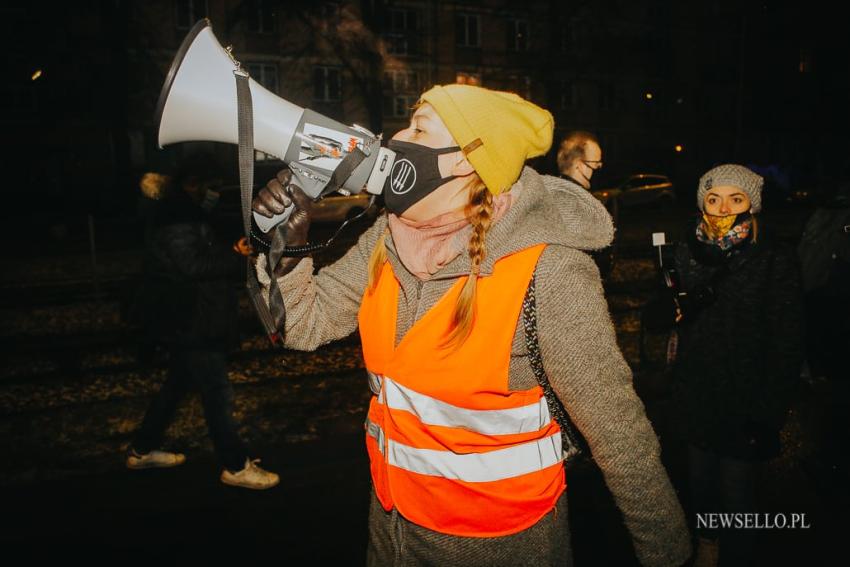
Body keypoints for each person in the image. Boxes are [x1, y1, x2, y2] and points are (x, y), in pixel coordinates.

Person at [252, 85, 690, 565]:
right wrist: (286, 247)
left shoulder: (550, 271)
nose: (400, 136)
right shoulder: (388, 238)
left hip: (499, 544)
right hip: (392, 531)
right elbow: (301, 327)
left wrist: (668, 555)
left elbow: (620, 434)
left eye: (420, 128)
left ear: (465, 160)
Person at [666, 164, 804, 566]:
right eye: (713, 199)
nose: (723, 207)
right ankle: (707, 549)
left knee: (737, 496)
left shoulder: (774, 257)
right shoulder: (685, 250)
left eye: (735, 199)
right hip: (697, 396)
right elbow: (676, 317)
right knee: (700, 487)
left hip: (746, 402)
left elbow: (787, 340)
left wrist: (769, 413)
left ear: (752, 205)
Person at [127, 157, 279, 490]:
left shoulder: (178, 211)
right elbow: (193, 264)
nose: (213, 193)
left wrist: (227, 248)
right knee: (217, 394)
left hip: (187, 316)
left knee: (176, 386)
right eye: (208, 186)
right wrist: (235, 257)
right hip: (191, 318)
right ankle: (235, 465)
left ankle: (142, 448)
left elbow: (197, 252)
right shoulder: (176, 216)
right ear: (190, 185)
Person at [556, 130, 615, 279]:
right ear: (579, 166)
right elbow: (600, 264)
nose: (598, 169)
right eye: (596, 164)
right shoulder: (582, 206)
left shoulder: (547, 194)